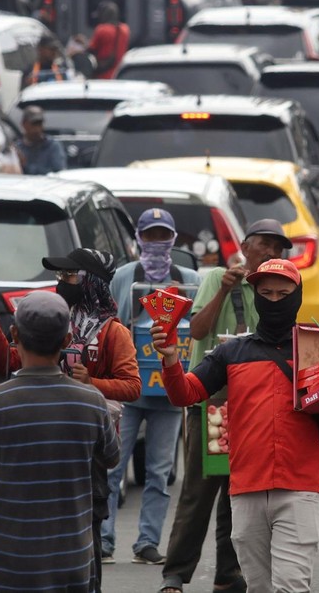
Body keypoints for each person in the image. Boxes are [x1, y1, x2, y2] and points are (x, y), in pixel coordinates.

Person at [152, 258, 319, 593]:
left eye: (283, 294)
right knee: (258, 588)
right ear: (254, 295)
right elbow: (186, 394)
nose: (273, 301)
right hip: (246, 488)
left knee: (291, 587)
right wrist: (170, 358)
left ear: (297, 297)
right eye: (265, 293)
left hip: (298, 489)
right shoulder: (231, 352)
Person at [0, 248, 141, 593]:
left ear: (91, 281)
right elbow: (7, 362)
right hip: (39, 433)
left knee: (83, 531)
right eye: (60, 276)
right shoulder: (54, 317)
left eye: (70, 276)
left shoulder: (112, 331)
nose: (62, 282)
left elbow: (133, 386)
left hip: (85, 445)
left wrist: (91, 383)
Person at [158, 218, 293, 593]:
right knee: (200, 491)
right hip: (211, 401)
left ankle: (227, 574)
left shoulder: (274, 291)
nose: (271, 252)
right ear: (246, 246)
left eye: (278, 248)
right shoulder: (219, 276)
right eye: (265, 243)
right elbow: (197, 331)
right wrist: (224, 291)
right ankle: (175, 574)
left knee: (240, 493)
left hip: (250, 406)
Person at [101, 209, 201, 566]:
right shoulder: (125, 276)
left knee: (158, 473)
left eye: (163, 235)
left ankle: (147, 541)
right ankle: (104, 539)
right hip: (129, 389)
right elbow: (109, 323)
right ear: (139, 238)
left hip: (170, 391)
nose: (157, 243)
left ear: (173, 239)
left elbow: (198, 327)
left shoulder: (190, 278)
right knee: (112, 467)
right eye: (151, 235)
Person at [70, 0, 130, 79]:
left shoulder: (101, 29)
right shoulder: (125, 29)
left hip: (103, 74)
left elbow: (91, 50)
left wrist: (74, 52)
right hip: (119, 74)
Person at [15, 104, 68, 174]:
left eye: (39, 124)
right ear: (24, 124)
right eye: (33, 124)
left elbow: (59, 172)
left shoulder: (52, 146)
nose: (37, 129)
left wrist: (26, 165)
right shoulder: (18, 148)